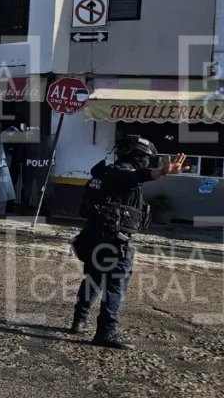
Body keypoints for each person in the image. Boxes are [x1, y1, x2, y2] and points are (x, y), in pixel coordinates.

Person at [69, 136, 187, 350]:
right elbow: (136, 176)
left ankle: (79, 320)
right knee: (116, 285)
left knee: (93, 279)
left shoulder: (103, 172)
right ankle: (106, 333)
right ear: (138, 156)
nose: (147, 162)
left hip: (94, 236)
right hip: (114, 240)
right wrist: (162, 172)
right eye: (146, 158)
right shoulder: (122, 173)